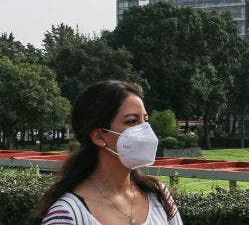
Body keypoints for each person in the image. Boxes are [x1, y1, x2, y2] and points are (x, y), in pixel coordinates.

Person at [34, 80, 183, 225]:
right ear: (98, 136)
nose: (145, 130)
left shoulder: (159, 195)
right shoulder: (67, 214)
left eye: (145, 119)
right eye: (131, 121)